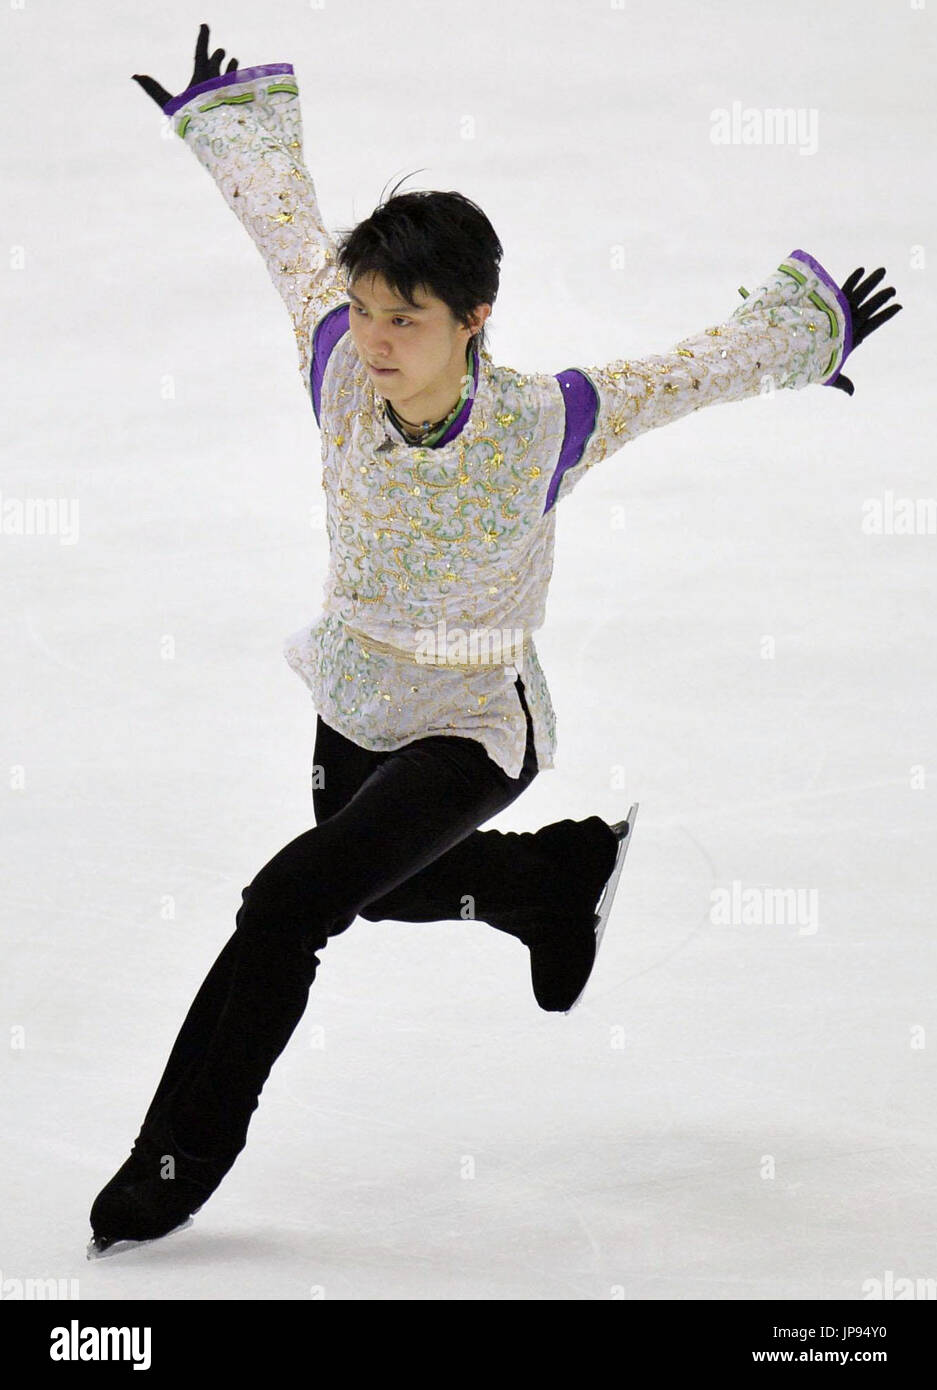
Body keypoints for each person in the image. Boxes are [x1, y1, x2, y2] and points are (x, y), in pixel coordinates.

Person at [88, 24, 901, 1256]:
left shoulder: (541, 422)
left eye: (402, 318)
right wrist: (237, 127)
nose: (371, 337)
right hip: (356, 695)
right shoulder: (336, 368)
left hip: (475, 726)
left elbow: (684, 374)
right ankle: (546, 878)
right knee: (378, 888)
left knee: (289, 901)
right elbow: (288, 239)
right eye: (363, 311)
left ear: (475, 318)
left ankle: (171, 1160)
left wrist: (809, 330)